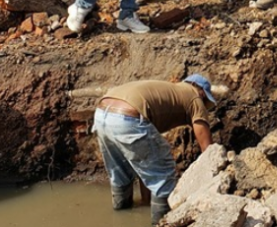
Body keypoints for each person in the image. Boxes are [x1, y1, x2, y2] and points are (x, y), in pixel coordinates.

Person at [92, 74, 215, 225]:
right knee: (163, 173)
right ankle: (161, 223)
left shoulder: (167, 92)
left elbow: (147, 164)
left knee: (120, 171)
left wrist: (146, 201)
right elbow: (208, 150)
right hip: (129, 116)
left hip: (102, 114)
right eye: (207, 102)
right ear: (202, 92)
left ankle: (121, 216)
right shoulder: (195, 98)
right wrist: (215, 182)